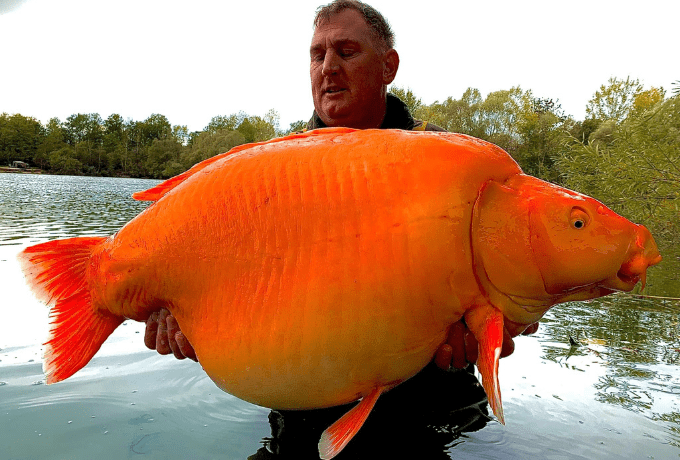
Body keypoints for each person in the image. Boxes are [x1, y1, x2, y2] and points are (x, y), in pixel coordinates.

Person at [145, 0, 537, 375]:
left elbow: (522, 278)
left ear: (388, 66)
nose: (329, 67)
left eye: (347, 52)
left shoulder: (453, 163)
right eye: (318, 56)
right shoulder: (271, 171)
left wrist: (507, 318)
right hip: (305, 393)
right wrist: (194, 325)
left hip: (436, 401)